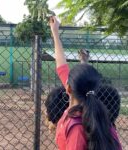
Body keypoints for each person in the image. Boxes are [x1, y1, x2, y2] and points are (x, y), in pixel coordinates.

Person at [49, 16, 122, 150]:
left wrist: (55, 32)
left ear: (69, 88)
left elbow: (62, 68)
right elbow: (61, 67)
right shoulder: (101, 116)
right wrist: (55, 33)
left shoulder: (76, 128)